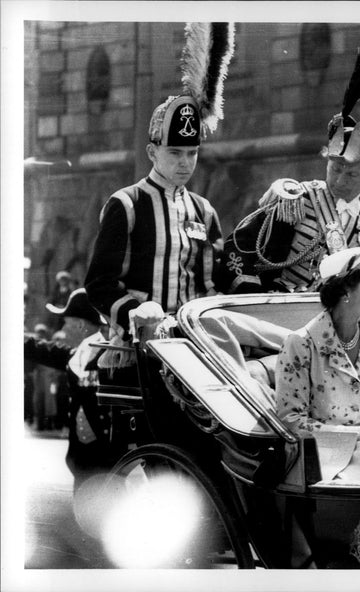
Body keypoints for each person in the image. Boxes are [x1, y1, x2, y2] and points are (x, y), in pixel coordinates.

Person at [84, 23, 232, 368]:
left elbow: (213, 284)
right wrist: (138, 314)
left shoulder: (205, 210)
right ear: (152, 153)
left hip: (194, 349)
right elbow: (99, 284)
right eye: (175, 153)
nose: (185, 163)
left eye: (192, 153)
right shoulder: (126, 204)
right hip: (137, 352)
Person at [216, 46, 360, 295]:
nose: (339, 180)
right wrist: (255, 296)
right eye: (335, 169)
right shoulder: (294, 202)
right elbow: (238, 249)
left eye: (352, 174)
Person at [274, 247, 360, 440]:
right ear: (345, 293)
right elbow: (290, 420)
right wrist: (355, 435)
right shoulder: (300, 345)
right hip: (320, 463)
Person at [24, 289, 126, 491]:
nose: (63, 328)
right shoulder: (76, 354)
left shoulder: (113, 357)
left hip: (107, 458)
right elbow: (39, 348)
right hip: (79, 457)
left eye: (67, 322)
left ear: (80, 325)